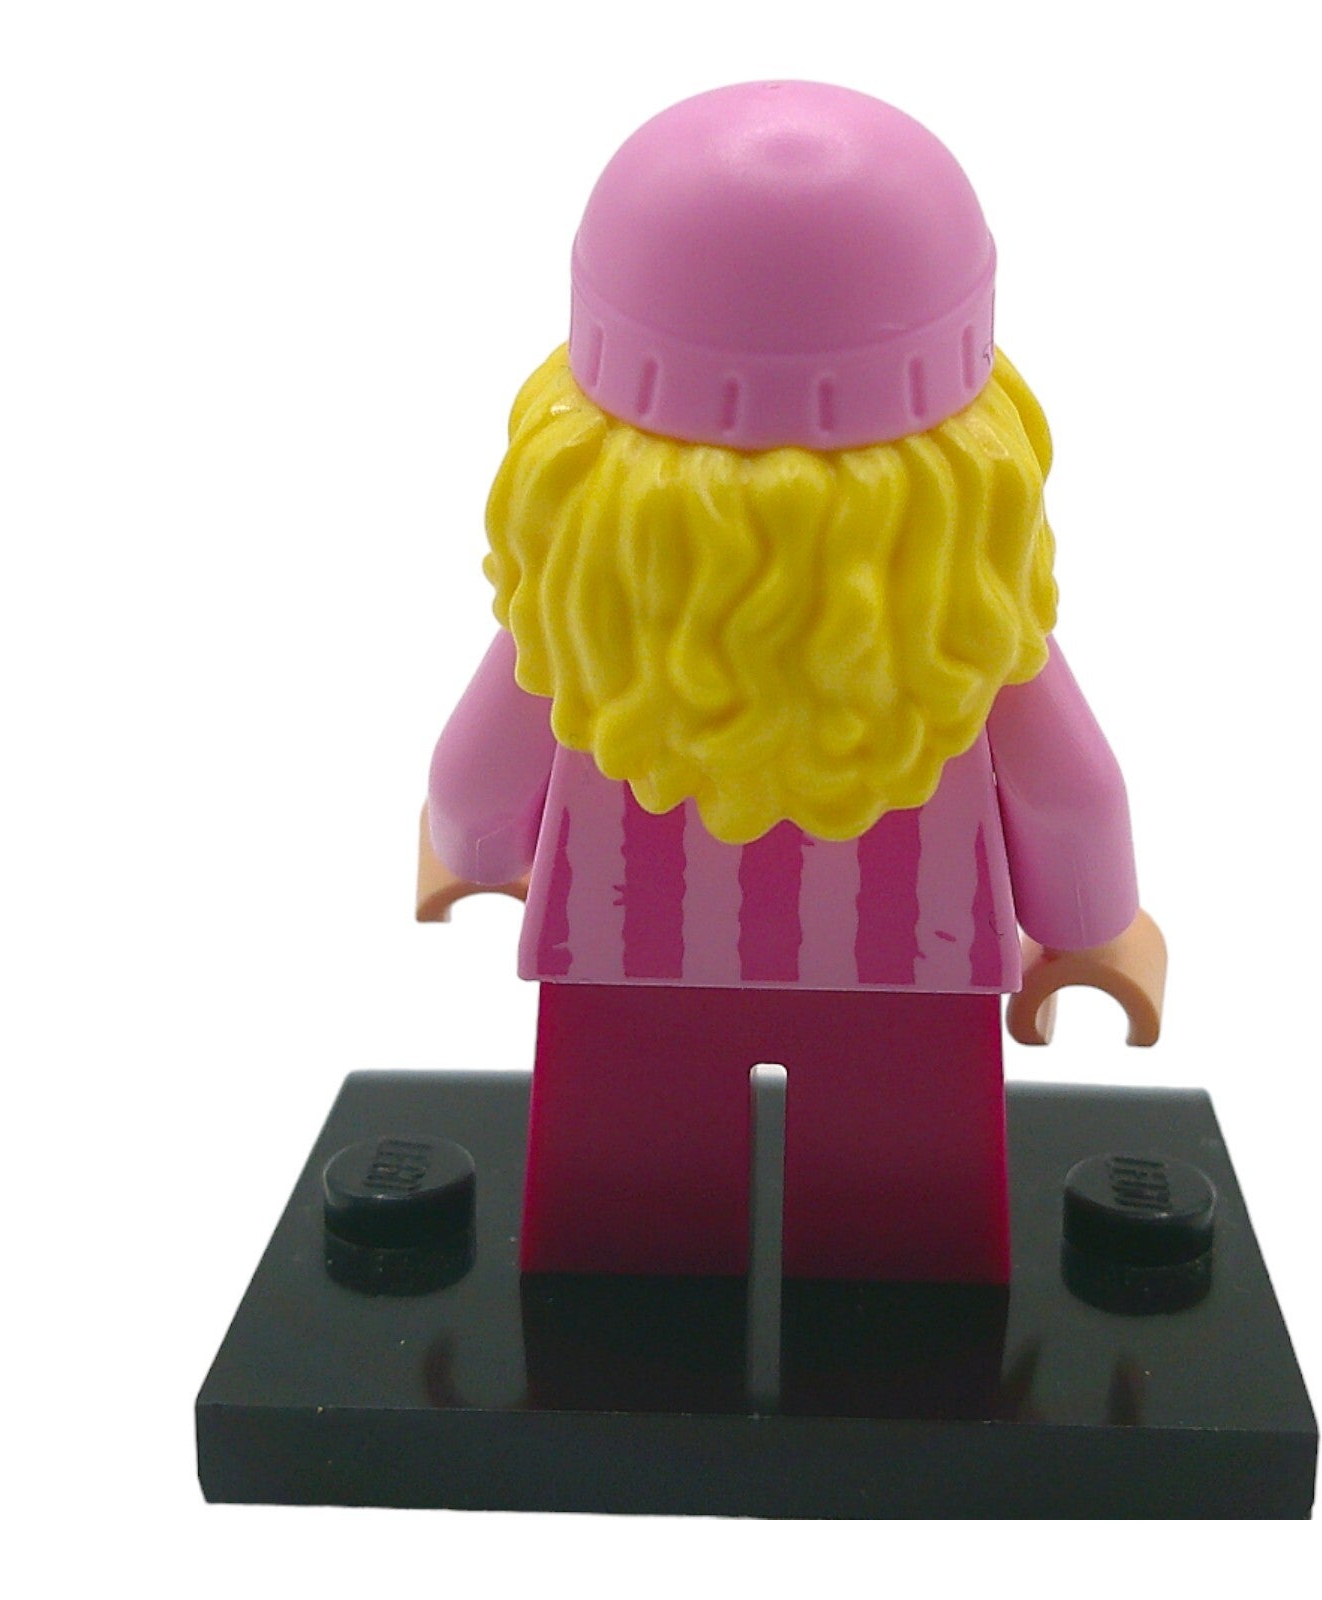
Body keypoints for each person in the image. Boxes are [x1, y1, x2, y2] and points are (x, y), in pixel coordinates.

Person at [419, 81, 1165, 1285]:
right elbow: (1072, 792)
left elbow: (474, 768)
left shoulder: (597, 605)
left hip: (622, 947)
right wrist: (1091, 929)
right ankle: (899, 1324)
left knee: (624, 1225)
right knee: (905, 1237)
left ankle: (627, 1318)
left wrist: (472, 848)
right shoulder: (956, 617)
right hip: (915, 962)